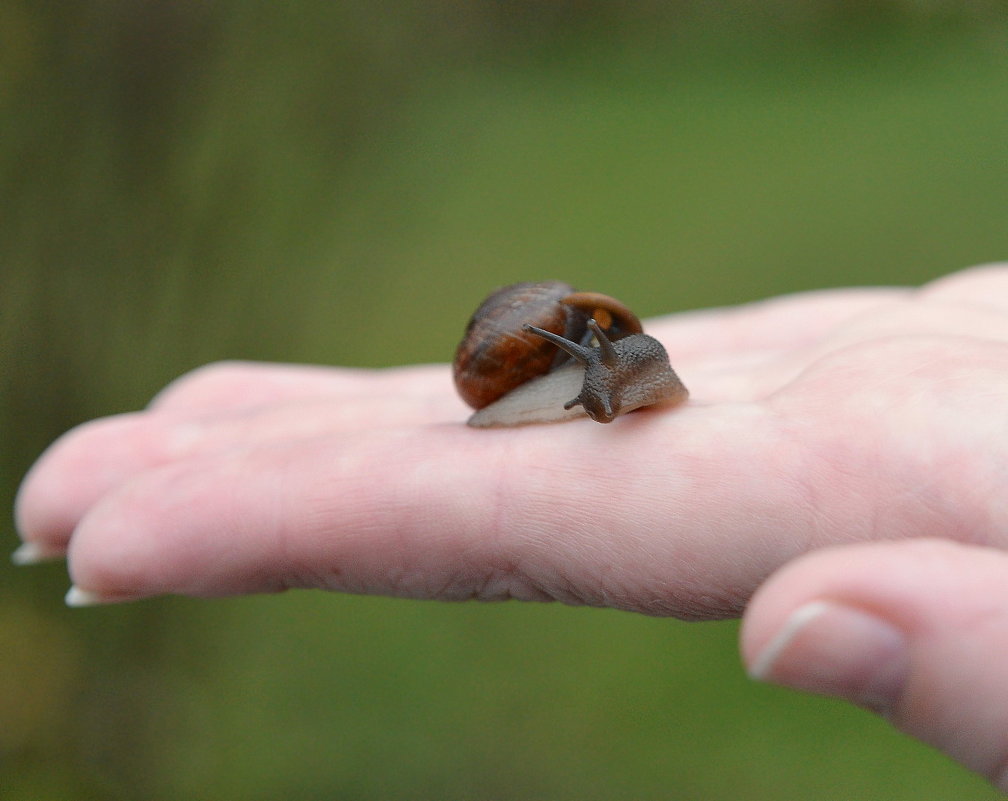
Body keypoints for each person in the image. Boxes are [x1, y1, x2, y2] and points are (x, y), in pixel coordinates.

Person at [13, 263, 1008, 792]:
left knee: (624, 374)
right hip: (518, 380)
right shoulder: (528, 351)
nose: (605, 342)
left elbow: (628, 344)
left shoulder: (601, 338)